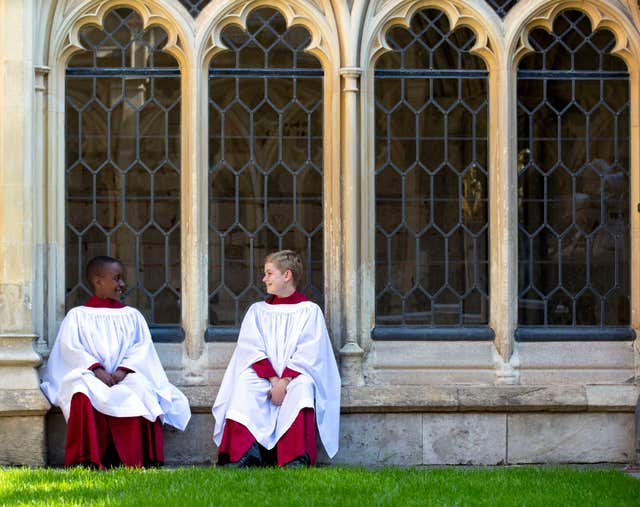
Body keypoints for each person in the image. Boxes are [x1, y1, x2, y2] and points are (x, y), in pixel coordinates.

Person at [41, 256, 191, 469]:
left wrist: (121, 371)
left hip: (124, 376)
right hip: (91, 376)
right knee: (80, 390)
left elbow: (141, 348)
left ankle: (138, 459)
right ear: (98, 280)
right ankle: (87, 459)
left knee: (142, 388)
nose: (122, 284)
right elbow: (70, 349)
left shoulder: (132, 316)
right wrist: (97, 370)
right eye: (117, 279)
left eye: (123, 279)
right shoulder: (77, 316)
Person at [212, 250, 341, 467]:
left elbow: (309, 351)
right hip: (266, 376)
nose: (264, 279)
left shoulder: (310, 311)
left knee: (304, 389)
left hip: (295, 376)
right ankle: (245, 454)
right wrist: (273, 380)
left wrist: (285, 381)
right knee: (244, 384)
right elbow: (251, 348)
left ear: (287, 275)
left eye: (269, 273)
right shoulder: (257, 311)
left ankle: (294, 457)